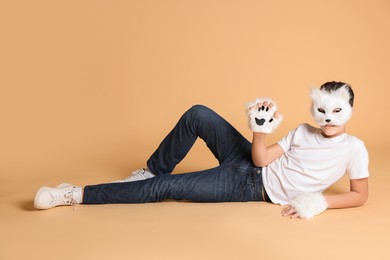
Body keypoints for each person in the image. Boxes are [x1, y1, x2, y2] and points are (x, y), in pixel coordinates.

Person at [33, 81, 369, 219]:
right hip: (251, 163)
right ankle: (151, 168)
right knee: (198, 113)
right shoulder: (302, 131)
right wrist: (259, 130)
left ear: (350, 110)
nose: (328, 119)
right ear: (314, 109)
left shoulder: (354, 149)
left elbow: (359, 195)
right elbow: (261, 159)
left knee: (164, 190)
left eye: (336, 111)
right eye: (322, 111)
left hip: (250, 187)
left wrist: (319, 202)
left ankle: (73, 194)